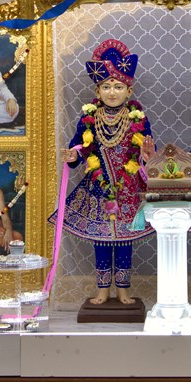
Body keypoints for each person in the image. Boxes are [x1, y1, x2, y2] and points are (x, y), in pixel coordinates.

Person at [49, 40, 156, 306]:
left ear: (129, 90)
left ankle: (123, 291)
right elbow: (80, 146)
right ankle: (103, 290)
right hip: (97, 188)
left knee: (124, 241)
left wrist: (146, 157)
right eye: (106, 87)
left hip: (128, 187)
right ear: (97, 90)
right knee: (101, 240)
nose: (112, 92)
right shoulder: (90, 117)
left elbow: (146, 152)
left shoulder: (138, 118)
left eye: (118, 87)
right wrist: (74, 156)